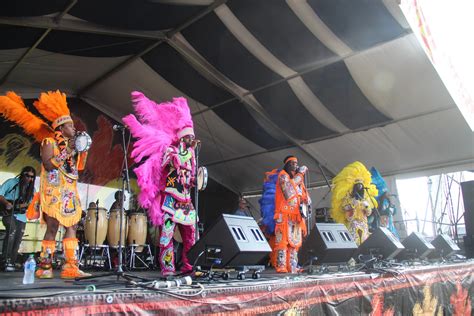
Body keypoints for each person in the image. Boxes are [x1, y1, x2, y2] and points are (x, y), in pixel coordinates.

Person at [0, 90, 90, 279]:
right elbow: (49, 165)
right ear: (61, 127)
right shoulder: (49, 142)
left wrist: (81, 149)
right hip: (53, 191)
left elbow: (78, 168)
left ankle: (70, 266)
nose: (74, 129)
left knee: (72, 227)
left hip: (69, 193)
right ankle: (45, 266)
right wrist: (68, 151)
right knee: (52, 228)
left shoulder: (71, 145)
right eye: (70, 126)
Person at [123, 92, 199, 276]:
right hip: (170, 201)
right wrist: (185, 156)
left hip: (186, 201)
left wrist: (195, 179)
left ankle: (189, 266)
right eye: (189, 137)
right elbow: (174, 162)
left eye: (192, 137)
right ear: (182, 139)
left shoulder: (192, 157)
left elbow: (192, 178)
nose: (192, 140)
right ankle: (168, 268)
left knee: (191, 236)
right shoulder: (171, 151)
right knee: (167, 236)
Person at [271, 155, 309, 273]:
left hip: (296, 216)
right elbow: (288, 192)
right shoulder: (283, 176)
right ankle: (281, 265)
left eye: (296, 164)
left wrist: (306, 200)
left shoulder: (299, 181)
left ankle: (293, 266)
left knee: (295, 242)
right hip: (284, 214)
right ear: (287, 165)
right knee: (282, 241)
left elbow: (303, 196)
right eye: (292, 163)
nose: (295, 166)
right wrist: (300, 175)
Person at [331, 161, 378, 246]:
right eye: (357, 184)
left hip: (364, 224)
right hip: (353, 224)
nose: (360, 186)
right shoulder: (348, 197)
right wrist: (353, 205)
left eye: (361, 184)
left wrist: (366, 206)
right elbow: (344, 208)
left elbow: (369, 213)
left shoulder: (365, 198)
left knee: (364, 243)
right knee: (354, 242)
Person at [0, 166, 36, 271]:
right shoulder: (12, 182)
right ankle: (4, 261)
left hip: (22, 216)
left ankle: (12, 262)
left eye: (32, 177)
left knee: (18, 238)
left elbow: (31, 204)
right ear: (22, 174)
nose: (29, 178)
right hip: (8, 213)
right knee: (12, 231)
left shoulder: (32, 190)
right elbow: (0, 194)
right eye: (27, 175)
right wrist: (6, 203)